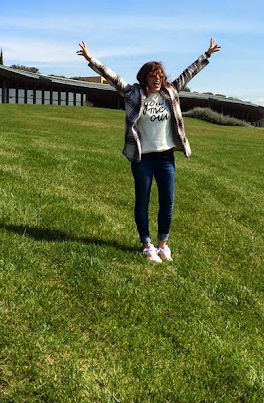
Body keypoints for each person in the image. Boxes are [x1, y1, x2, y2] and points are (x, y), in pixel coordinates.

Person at [76, 38, 221, 263]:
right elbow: (112, 77)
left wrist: (207, 55)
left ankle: (163, 244)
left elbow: (188, 73)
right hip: (142, 158)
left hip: (166, 157)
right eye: (154, 76)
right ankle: (147, 244)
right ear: (145, 77)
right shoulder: (133, 94)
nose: (158, 79)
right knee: (142, 201)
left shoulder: (170, 92)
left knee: (167, 202)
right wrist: (90, 58)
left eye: (160, 75)